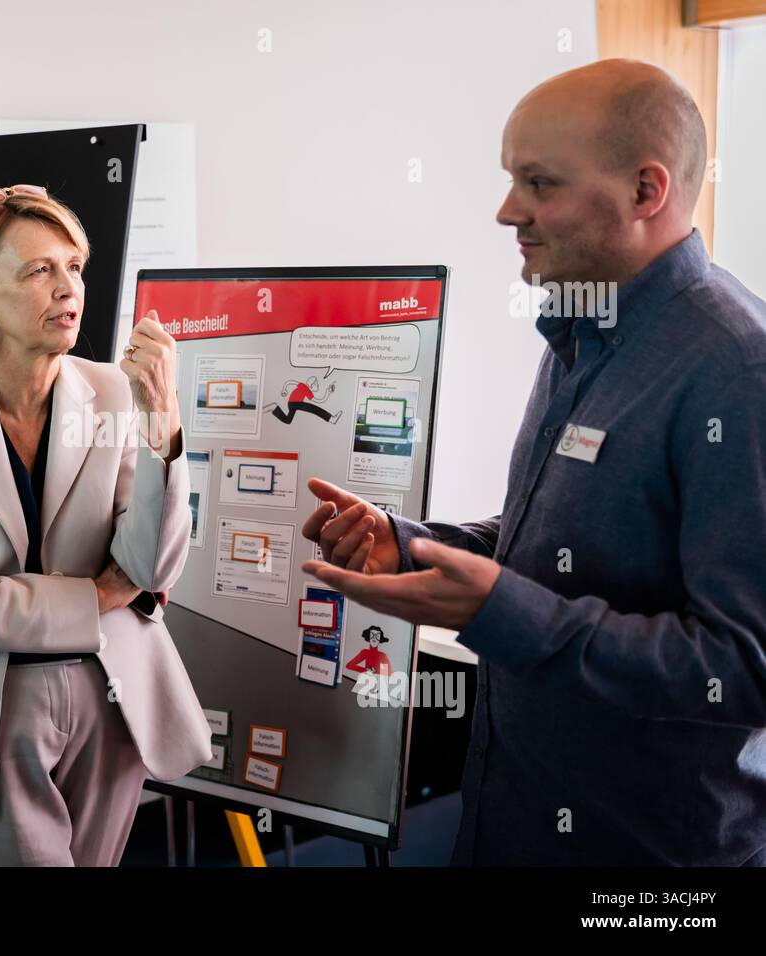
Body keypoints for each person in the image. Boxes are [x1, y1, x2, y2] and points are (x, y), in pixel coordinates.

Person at [301, 59, 766, 866]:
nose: (507, 212)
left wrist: (500, 612)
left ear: (645, 192)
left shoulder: (738, 371)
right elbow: (558, 547)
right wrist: (415, 544)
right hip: (513, 820)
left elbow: (745, 667)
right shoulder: (579, 330)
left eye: (539, 183)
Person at [0, 184, 212, 866]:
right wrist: (97, 596)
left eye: (73, 267)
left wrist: (162, 427)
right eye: (38, 270)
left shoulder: (113, 390)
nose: (68, 288)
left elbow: (152, 568)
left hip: (110, 688)